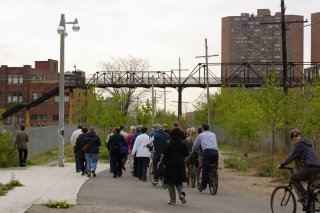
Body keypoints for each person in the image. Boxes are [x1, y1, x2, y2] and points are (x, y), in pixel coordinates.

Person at [279, 128, 320, 202]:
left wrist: (282, 164)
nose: (294, 137)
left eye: (296, 135)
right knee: (310, 184)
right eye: (292, 136)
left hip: (310, 167)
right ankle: (311, 205)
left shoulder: (300, 144)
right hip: (317, 166)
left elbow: (291, 156)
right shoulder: (307, 144)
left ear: (300, 136)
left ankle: (304, 195)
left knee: (293, 178)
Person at [163, 127, 188, 205]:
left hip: (170, 164)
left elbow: (165, 153)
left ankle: (172, 200)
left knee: (170, 183)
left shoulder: (169, 143)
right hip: (180, 164)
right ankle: (181, 193)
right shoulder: (183, 143)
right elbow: (187, 153)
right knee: (179, 181)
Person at [192, 124, 219, 192]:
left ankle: (203, 185)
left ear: (203, 128)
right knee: (214, 166)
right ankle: (214, 177)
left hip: (207, 152)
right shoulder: (213, 134)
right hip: (215, 152)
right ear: (209, 128)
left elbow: (195, 145)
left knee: (205, 169)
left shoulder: (201, 135)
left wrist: (193, 151)